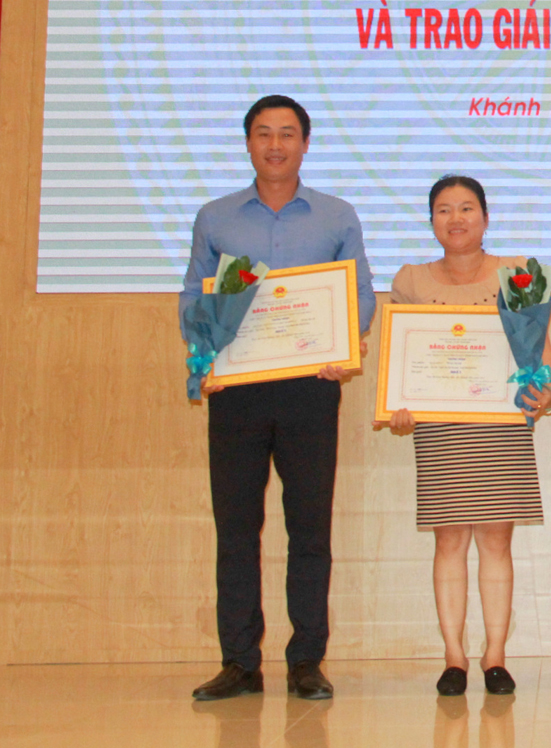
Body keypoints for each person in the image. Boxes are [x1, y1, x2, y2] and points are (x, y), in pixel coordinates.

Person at [179, 95, 376, 700]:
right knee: (237, 528)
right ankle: (239, 661)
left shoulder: (337, 216)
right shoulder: (215, 218)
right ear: (247, 143)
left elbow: (361, 298)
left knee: (309, 529)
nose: (275, 144)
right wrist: (207, 346)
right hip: (237, 391)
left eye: (287, 134)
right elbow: (192, 299)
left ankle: (305, 661)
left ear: (305, 143)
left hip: (310, 391)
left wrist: (341, 348)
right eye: (263, 133)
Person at [384, 175, 551, 696]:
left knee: (496, 539)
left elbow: (538, 348)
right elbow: (400, 354)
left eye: (466, 208)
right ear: (431, 219)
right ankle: (454, 658)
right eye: (443, 209)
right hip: (441, 429)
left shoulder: (515, 275)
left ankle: (496, 657)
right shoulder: (411, 278)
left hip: (498, 425)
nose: (455, 219)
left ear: (485, 216)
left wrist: (545, 391)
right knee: (450, 539)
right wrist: (396, 404)